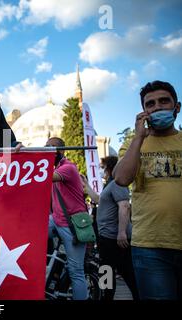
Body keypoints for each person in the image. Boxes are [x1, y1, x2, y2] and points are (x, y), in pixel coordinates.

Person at [114, 80, 181, 300]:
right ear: (144, 112)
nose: (157, 107)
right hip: (150, 245)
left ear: (177, 107)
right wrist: (139, 138)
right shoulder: (133, 144)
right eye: (150, 104)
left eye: (164, 101)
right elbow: (122, 178)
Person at [82, 156, 139, 300]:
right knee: (110, 270)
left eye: (103, 166)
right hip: (109, 238)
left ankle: (106, 297)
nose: (102, 170)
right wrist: (87, 185)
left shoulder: (118, 183)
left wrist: (121, 233)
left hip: (114, 239)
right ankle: (107, 296)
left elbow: (124, 206)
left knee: (112, 271)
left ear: (109, 167)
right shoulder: (111, 184)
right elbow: (99, 200)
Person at [46, 137, 88, 300]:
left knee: (76, 271)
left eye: (52, 148)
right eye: (45, 147)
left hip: (72, 225)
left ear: (61, 151)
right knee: (29, 238)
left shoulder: (68, 168)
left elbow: (45, 177)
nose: (48, 150)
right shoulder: (56, 167)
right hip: (56, 220)